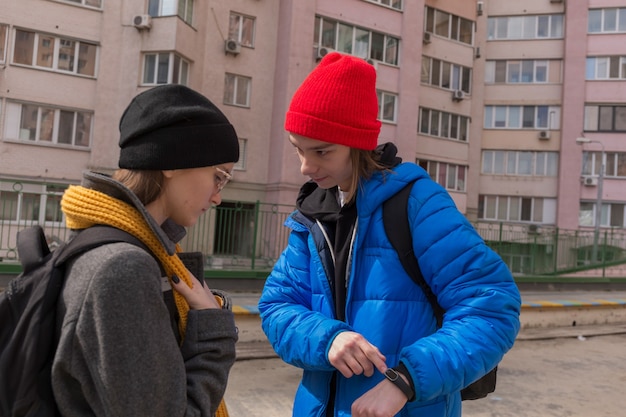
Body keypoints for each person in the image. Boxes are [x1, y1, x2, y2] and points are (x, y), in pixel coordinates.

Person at [258, 52, 521, 417]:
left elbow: (492, 308)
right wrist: (327, 338)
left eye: (321, 151)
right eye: (298, 149)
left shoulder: (416, 203)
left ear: (357, 143)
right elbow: (276, 307)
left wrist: (407, 380)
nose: (306, 166)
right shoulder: (311, 217)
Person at [52, 84, 239, 416]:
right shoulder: (122, 268)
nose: (217, 196)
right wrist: (213, 333)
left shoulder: (112, 246)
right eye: (219, 176)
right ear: (173, 161)